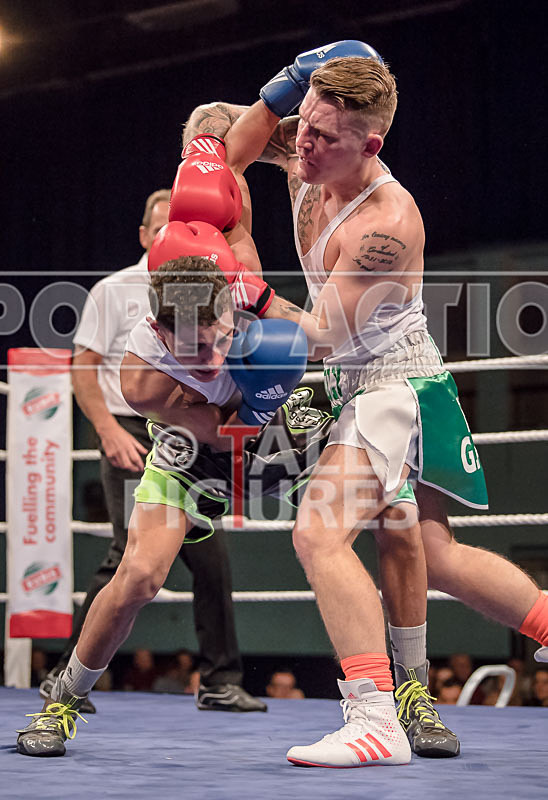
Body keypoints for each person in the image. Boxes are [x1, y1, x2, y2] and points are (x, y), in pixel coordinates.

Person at [182, 39, 548, 765]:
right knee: (435, 556)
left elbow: (319, 335)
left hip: (395, 385)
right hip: (365, 383)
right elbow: (233, 144)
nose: (304, 147)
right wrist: (278, 94)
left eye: (322, 138)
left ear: (370, 143)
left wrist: (238, 287)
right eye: (303, 126)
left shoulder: (387, 223)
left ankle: (374, 715)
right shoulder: (308, 147)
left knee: (319, 531)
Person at [15, 241, 332, 756]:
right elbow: (220, 435)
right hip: (193, 456)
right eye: (191, 350)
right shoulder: (140, 379)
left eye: (219, 341)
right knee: (139, 576)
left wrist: (272, 319)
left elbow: (327, 338)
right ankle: (62, 703)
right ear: (161, 332)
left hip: (276, 428)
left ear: (230, 311)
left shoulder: (244, 296)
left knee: (380, 512)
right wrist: (259, 401)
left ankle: (392, 700)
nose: (209, 360)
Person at [39, 189, 266, 715]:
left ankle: (219, 680)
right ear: (145, 235)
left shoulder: (228, 290)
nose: (174, 238)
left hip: (199, 426)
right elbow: (84, 365)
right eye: (161, 229)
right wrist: (106, 430)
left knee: (211, 561)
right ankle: (67, 676)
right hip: (132, 425)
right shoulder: (115, 292)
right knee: (131, 560)